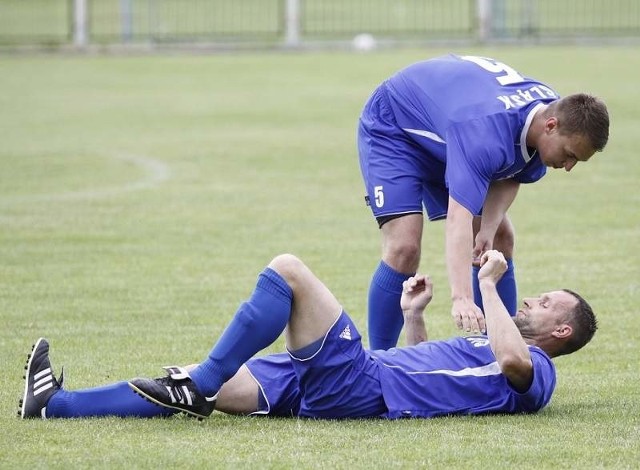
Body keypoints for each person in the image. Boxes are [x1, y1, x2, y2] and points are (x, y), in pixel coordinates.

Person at [19, 250, 597, 420]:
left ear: (561, 331)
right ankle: (55, 405)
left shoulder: (537, 371)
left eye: (544, 304)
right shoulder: (489, 348)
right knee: (198, 383)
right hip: (359, 379)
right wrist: (415, 314)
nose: (530, 300)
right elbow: (426, 372)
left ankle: (205, 380)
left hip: (360, 387)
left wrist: (489, 288)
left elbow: (515, 367)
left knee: (290, 270)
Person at [358, 53, 609, 350]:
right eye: (569, 155)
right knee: (404, 247)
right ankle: (377, 363)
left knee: (501, 237)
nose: (568, 167)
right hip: (398, 125)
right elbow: (458, 219)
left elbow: (513, 172)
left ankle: (500, 351)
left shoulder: (549, 119)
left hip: (455, 127)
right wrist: (461, 297)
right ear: (551, 126)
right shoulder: (484, 133)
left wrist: (487, 229)